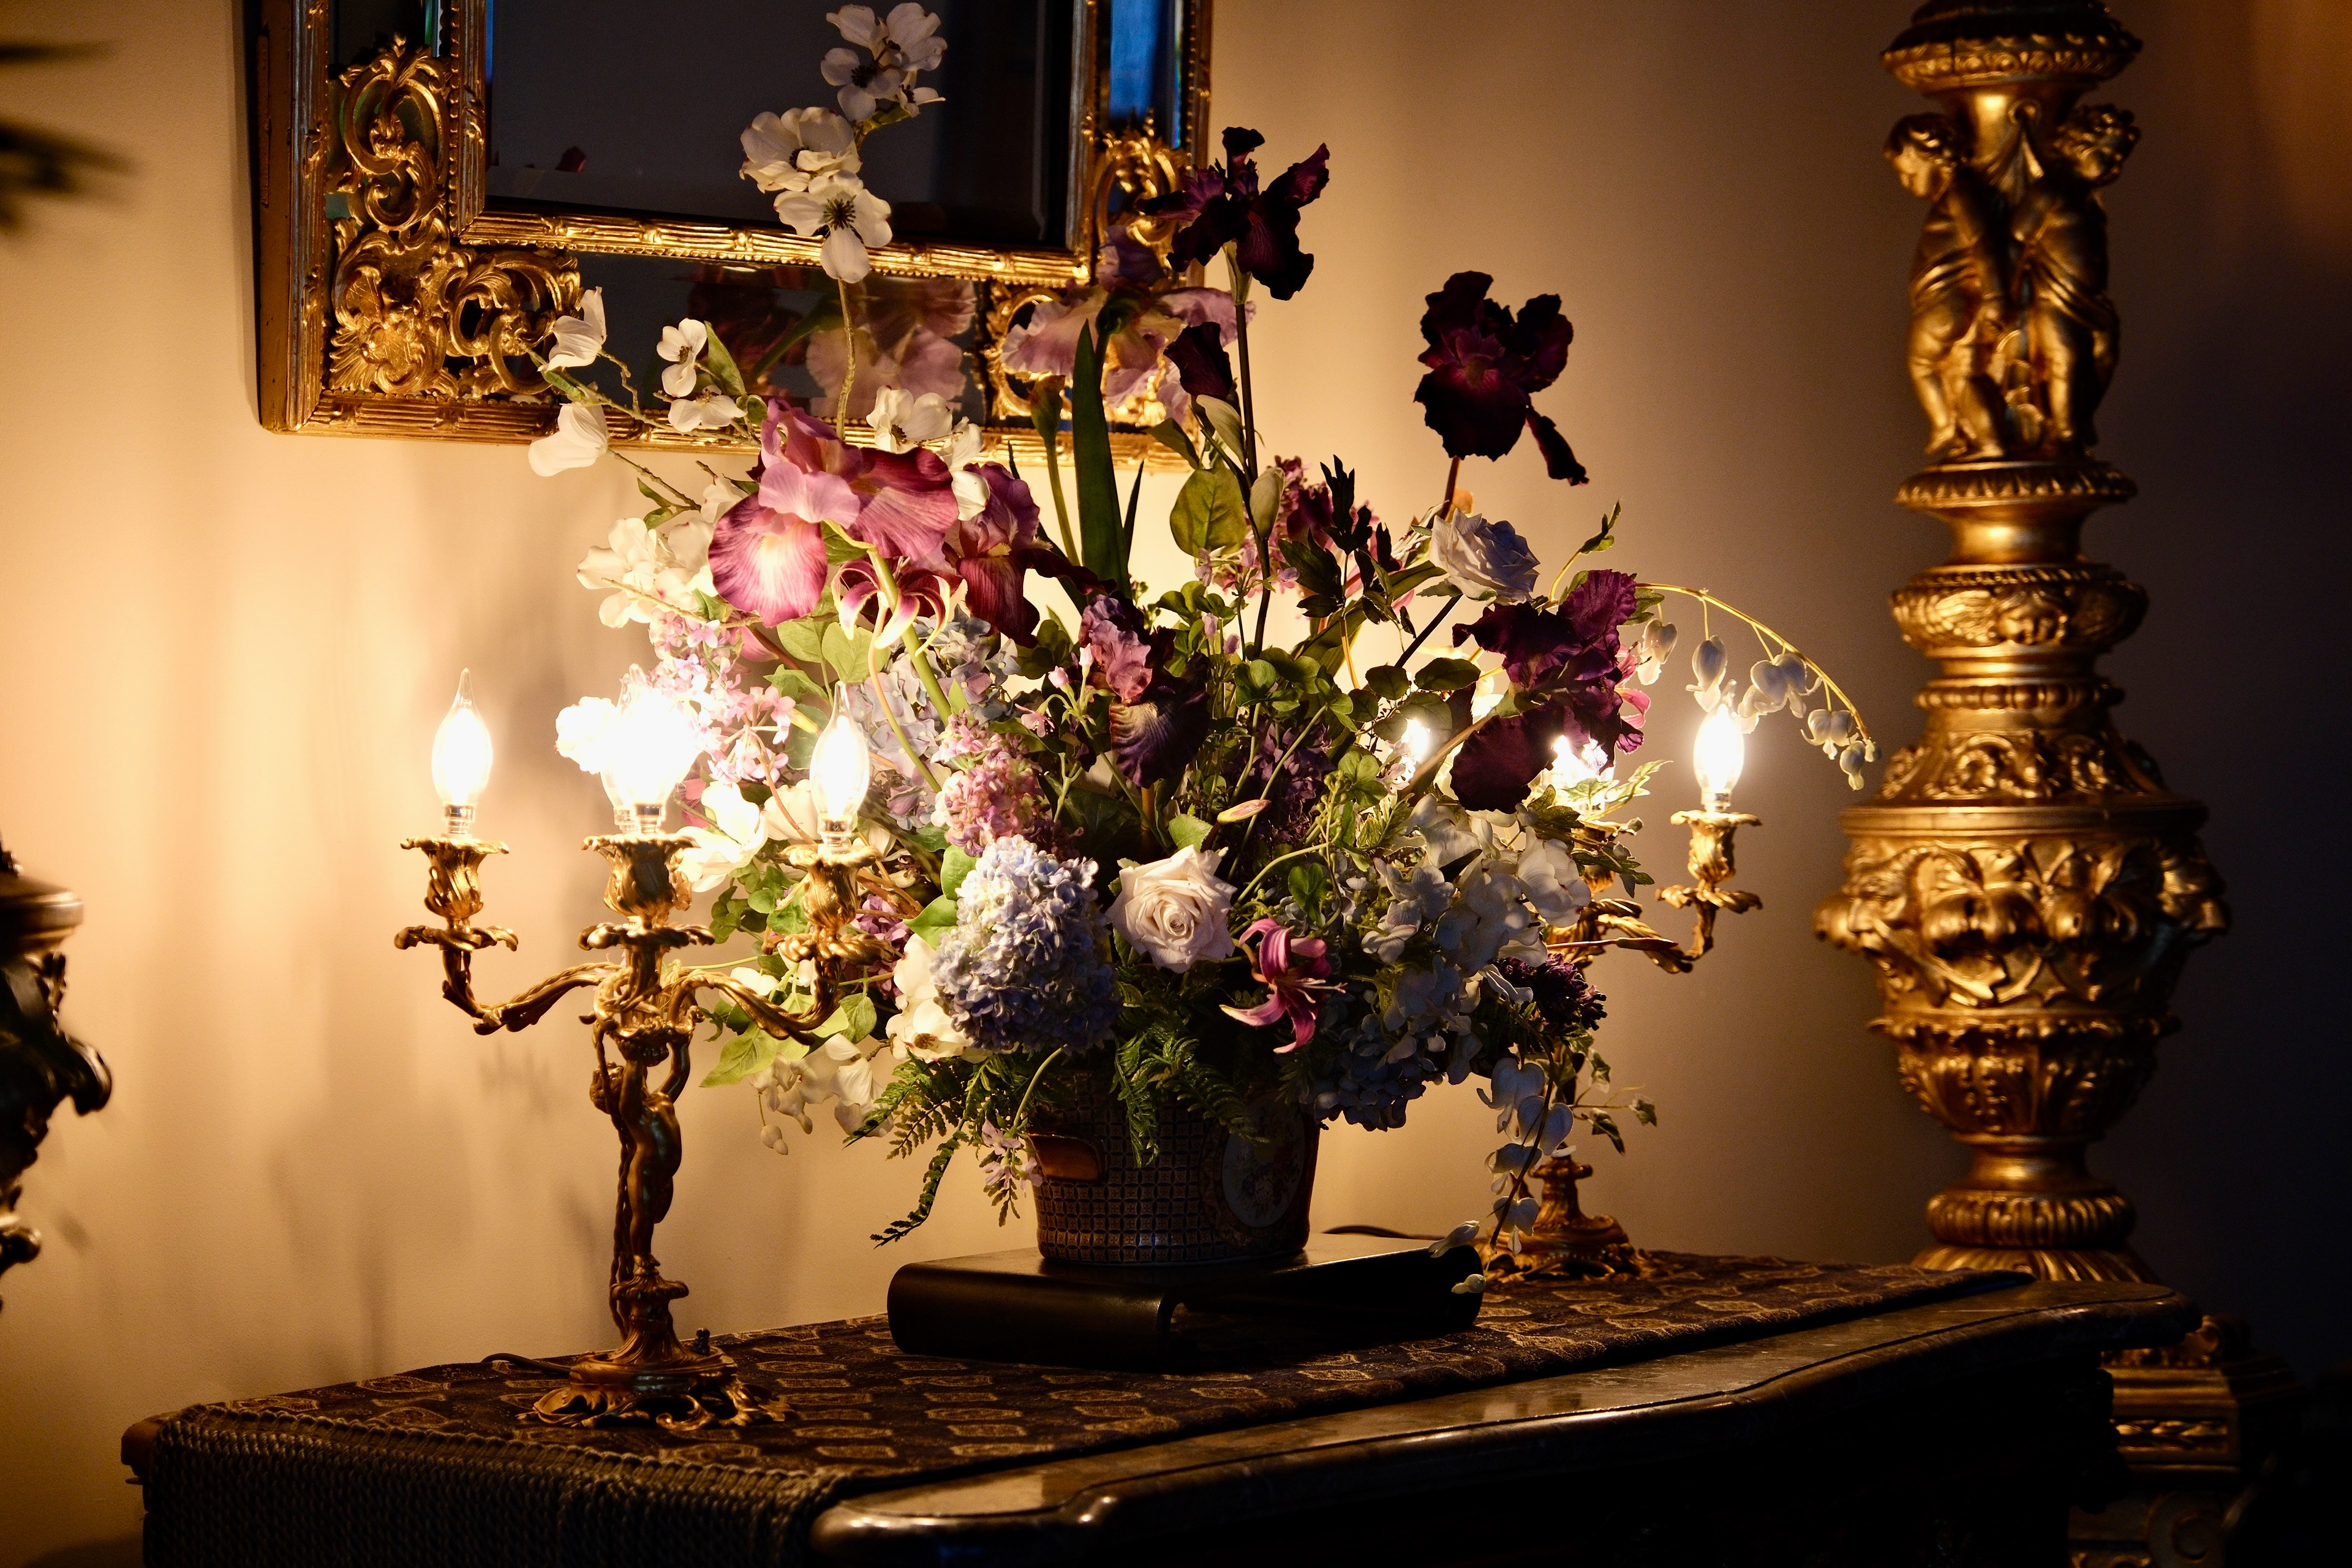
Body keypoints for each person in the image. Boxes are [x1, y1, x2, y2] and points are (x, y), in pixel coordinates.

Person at [2011, 104, 2139, 456]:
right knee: (2063, 357)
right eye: (2108, 156)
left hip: (2090, 299)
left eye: (2120, 160)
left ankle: (2080, 413)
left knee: (2105, 352)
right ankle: (2064, 432)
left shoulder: (2088, 198)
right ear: (2079, 146)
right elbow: (2017, 237)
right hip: (2053, 294)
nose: (2115, 167)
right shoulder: (2050, 192)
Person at [1887, 114, 2013, 462]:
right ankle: (1984, 440)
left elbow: (1984, 242)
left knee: (1922, 365)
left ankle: (1944, 424)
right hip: (1958, 303)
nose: (1905, 183)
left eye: (1909, 173)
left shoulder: (1962, 195)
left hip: (1950, 303)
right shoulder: (1957, 197)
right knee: (1964, 374)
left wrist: (1997, 295)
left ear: (1934, 157)